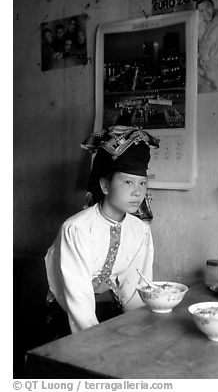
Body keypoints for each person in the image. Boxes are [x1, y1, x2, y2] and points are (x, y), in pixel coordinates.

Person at [45, 126, 160, 337]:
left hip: (111, 313)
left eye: (143, 183)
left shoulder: (140, 231)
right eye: (128, 182)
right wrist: (95, 341)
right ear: (105, 186)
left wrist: (138, 329)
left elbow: (134, 289)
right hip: (70, 316)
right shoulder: (76, 230)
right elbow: (77, 298)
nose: (137, 192)